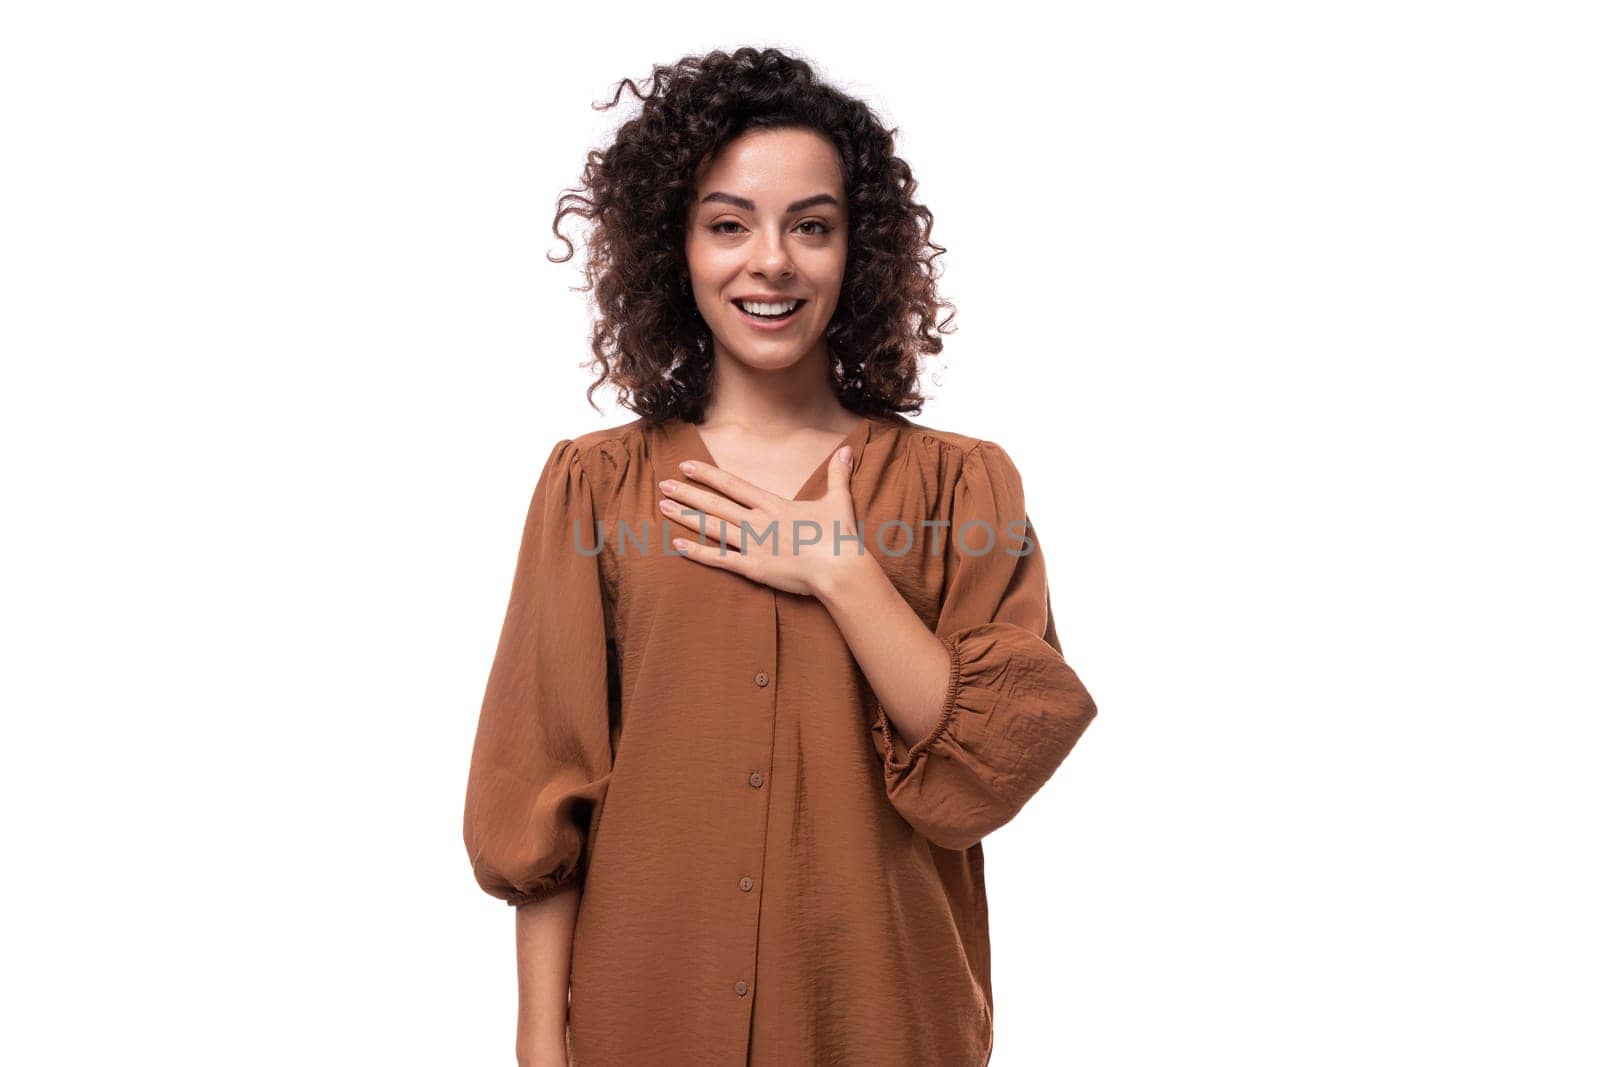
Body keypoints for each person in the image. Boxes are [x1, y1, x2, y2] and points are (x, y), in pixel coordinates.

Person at [462, 46, 1098, 1066]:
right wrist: (541, 1045)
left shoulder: (960, 486)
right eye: (728, 224)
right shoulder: (594, 487)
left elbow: (994, 767)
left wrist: (842, 571)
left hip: (882, 1018)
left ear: (858, 250)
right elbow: (543, 789)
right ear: (675, 248)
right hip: (646, 1019)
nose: (772, 261)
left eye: (812, 225)